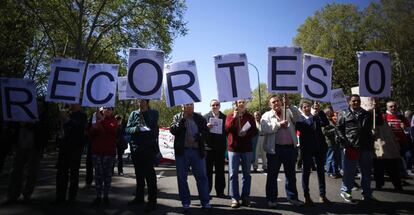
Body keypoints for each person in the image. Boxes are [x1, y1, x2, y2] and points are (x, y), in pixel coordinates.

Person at [3, 99, 49, 205]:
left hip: (35, 147)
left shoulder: (43, 117)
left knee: (31, 172)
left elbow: (43, 131)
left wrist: (28, 125)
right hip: (21, 145)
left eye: (40, 103)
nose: (38, 104)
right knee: (16, 171)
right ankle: (13, 194)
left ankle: (27, 194)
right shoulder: (22, 113)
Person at [261, 95, 304, 208]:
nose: (276, 103)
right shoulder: (266, 115)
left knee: (291, 175)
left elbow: (299, 117)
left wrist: (290, 104)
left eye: (278, 101)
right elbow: (264, 129)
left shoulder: (288, 111)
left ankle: (293, 198)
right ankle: (271, 199)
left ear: (281, 102)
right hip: (274, 149)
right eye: (273, 102)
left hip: (290, 148)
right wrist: (278, 125)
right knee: (272, 176)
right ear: (270, 105)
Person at [336, 94, 378, 203]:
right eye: (354, 101)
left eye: (358, 100)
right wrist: (346, 143)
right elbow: (339, 129)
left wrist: (376, 109)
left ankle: (367, 194)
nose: (356, 102)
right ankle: (346, 192)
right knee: (349, 171)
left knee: (366, 172)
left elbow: (378, 124)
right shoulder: (343, 113)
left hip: (366, 146)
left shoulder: (367, 114)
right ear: (349, 102)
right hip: (351, 147)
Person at [170, 103, 211, 212]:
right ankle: (185, 202)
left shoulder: (199, 118)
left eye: (191, 104)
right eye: (187, 105)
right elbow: (173, 130)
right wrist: (182, 120)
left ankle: (205, 202)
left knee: (202, 177)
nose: (190, 106)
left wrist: (198, 137)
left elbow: (205, 132)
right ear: (182, 106)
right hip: (182, 152)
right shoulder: (177, 117)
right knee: (182, 178)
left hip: (197, 152)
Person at [295, 99, 330, 205]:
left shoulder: (316, 116)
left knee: (320, 172)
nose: (307, 108)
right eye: (304, 107)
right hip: (306, 149)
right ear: (301, 109)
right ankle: (307, 196)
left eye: (308, 106)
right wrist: (311, 122)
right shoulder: (299, 120)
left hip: (319, 148)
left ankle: (322, 195)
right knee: (306, 172)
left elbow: (326, 123)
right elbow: (302, 129)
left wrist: (319, 112)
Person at [126, 100, 159, 212]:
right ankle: (139, 198)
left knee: (150, 176)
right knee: (139, 175)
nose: (140, 101)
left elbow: (154, 131)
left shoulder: (153, 113)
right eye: (138, 99)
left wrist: (144, 113)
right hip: (136, 149)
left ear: (146, 101)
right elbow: (127, 129)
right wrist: (136, 128)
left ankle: (152, 201)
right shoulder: (133, 114)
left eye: (142, 100)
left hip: (148, 149)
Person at [225, 99, 258, 208]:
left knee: (246, 174)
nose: (241, 104)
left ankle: (245, 197)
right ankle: (234, 198)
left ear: (245, 104)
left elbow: (254, 131)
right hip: (233, 149)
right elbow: (227, 129)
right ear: (236, 104)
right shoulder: (230, 115)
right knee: (233, 174)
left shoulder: (250, 116)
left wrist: (246, 133)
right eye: (239, 102)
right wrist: (234, 117)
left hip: (246, 149)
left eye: (243, 102)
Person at [55, 103, 87, 204]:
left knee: (74, 172)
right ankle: (60, 196)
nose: (71, 104)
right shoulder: (67, 113)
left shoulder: (82, 115)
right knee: (61, 172)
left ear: (79, 104)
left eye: (74, 102)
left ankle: (72, 197)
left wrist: (68, 120)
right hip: (64, 146)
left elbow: (79, 128)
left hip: (75, 147)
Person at [88, 107, 118, 205]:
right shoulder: (95, 119)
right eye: (106, 108)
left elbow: (111, 130)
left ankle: (106, 196)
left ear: (113, 111)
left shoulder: (114, 121)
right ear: (102, 109)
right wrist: (94, 126)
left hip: (109, 153)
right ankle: (98, 196)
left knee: (107, 175)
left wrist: (101, 121)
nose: (108, 110)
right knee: (98, 175)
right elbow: (90, 133)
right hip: (97, 152)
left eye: (110, 109)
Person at [203, 99, 227, 198]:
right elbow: (201, 132)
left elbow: (228, 130)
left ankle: (220, 192)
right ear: (210, 106)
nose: (215, 106)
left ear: (220, 106)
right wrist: (206, 127)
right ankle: (206, 192)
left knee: (220, 171)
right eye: (213, 105)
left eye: (217, 105)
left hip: (220, 148)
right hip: (208, 149)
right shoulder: (204, 117)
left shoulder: (225, 117)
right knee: (207, 171)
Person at [383, 101, 412, 177]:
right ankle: (399, 174)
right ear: (387, 107)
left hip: (402, 140)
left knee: (408, 155)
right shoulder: (384, 116)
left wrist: (404, 127)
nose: (393, 108)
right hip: (391, 141)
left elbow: (408, 127)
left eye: (395, 106)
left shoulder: (401, 116)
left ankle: (406, 171)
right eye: (391, 106)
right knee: (394, 158)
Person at [323, 107, 341, 179]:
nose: (333, 112)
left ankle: (335, 171)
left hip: (335, 141)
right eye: (331, 111)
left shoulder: (331, 120)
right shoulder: (325, 121)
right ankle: (330, 171)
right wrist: (334, 129)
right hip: (330, 142)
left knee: (335, 158)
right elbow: (325, 132)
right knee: (330, 157)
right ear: (328, 113)